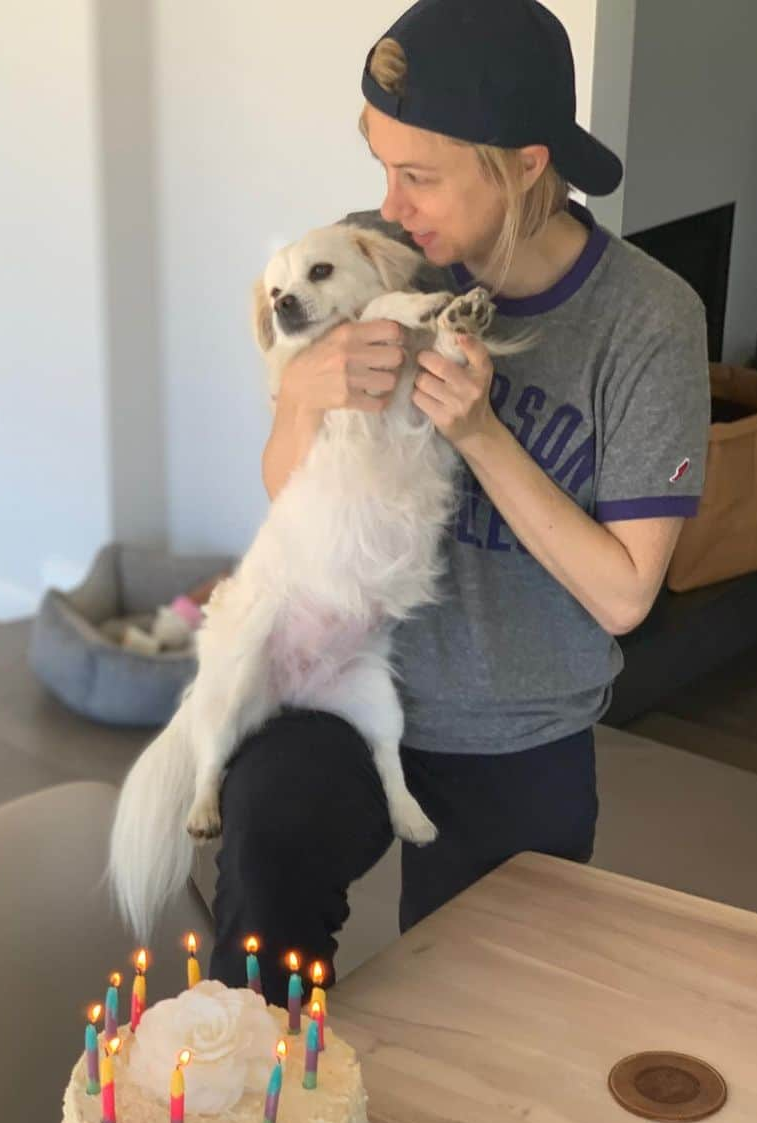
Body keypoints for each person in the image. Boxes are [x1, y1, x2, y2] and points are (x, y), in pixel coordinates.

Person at [208, 0, 709, 1004]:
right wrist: (305, 391)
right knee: (262, 881)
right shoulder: (367, 259)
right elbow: (286, 483)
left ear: (527, 162)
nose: (390, 206)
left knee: (483, 1021)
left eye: (421, 175)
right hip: (343, 681)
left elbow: (623, 597)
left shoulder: (649, 321)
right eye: (380, 165)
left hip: (518, 729)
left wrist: (481, 435)